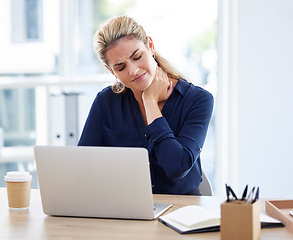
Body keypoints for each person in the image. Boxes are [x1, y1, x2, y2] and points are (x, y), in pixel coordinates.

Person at [78, 15, 214, 195]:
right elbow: (82, 167)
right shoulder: (106, 102)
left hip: (180, 210)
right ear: (111, 71)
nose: (133, 71)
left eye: (136, 57)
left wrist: (150, 102)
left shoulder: (197, 100)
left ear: (150, 46)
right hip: (122, 206)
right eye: (120, 67)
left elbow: (177, 167)